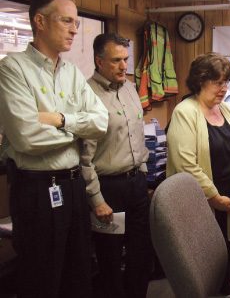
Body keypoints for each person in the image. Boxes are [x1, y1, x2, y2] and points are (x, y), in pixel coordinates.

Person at [0, 0, 108, 298]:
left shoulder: (72, 72)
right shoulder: (13, 69)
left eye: (76, 22)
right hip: (36, 190)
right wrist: (78, 127)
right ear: (40, 21)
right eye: (67, 21)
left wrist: (60, 120)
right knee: (42, 279)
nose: (75, 29)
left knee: (79, 275)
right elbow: (26, 136)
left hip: (72, 188)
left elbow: (100, 123)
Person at [166, 52, 230, 295]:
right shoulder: (185, 112)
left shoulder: (228, 112)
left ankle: (225, 289)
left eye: (226, 82)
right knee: (203, 263)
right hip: (203, 204)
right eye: (218, 82)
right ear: (201, 81)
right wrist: (214, 198)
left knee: (226, 254)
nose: (224, 89)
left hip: (228, 203)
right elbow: (186, 165)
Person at [81, 33, 151, 298]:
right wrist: (96, 199)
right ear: (99, 61)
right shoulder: (86, 94)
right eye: (116, 61)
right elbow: (83, 156)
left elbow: (138, 135)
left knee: (141, 253)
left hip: (136, 184)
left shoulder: (130, 87)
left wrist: (142, 174)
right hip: (108, 189)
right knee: (109, 259)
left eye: (126, 59)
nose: (124, 66)